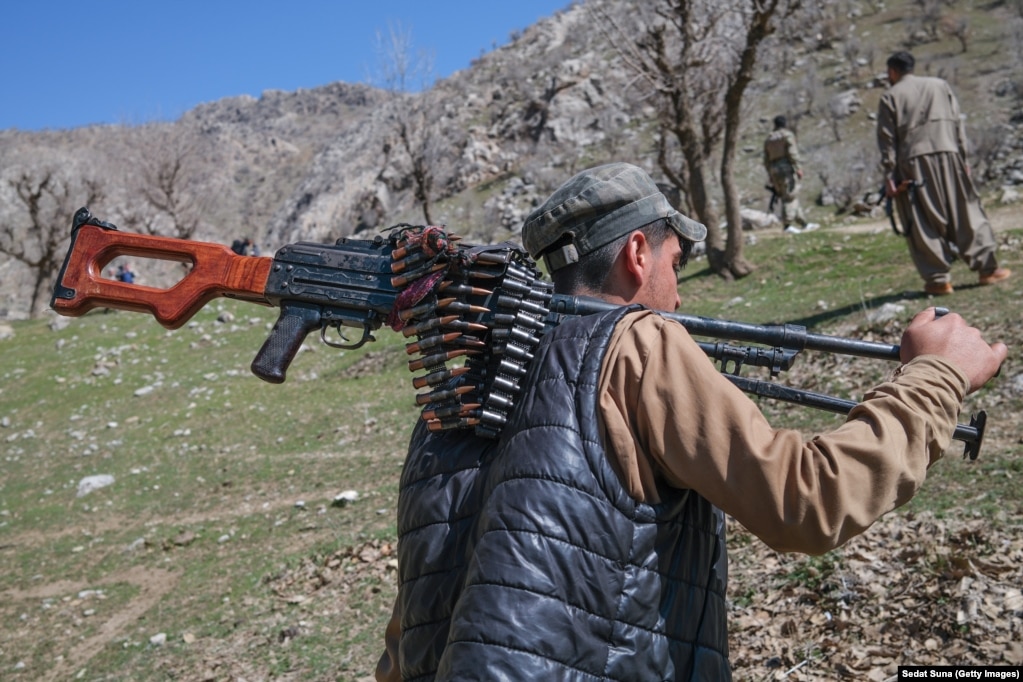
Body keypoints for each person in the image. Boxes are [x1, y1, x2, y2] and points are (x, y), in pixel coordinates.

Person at [375, 162, 1007, 681]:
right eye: (676, 263)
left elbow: (412, 619)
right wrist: (938, 376)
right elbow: (806, 499)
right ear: (636, 254)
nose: (678, 296)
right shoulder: (636, 342)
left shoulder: (462, 379)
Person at [877, 51, 1011, 295]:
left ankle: (938, 280)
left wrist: (889, 176)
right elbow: (957, 122)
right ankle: (987, 269)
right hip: (950, 154)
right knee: (966, 211)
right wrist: (963, 158)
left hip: (912, 164)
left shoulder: (890, 96)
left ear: (893, 72)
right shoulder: (940, 85)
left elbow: (887, 140)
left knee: (922, 220)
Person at [763, 115, 818, 234]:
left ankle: (803, 223)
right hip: (785, 168)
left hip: (774, 170)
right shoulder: (787, 135)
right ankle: (787, 225)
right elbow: (792, 152)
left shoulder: (769, 139)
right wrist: (798, 167)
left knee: (788, 195)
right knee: (790, 195)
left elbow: (766, 159)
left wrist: (770, 175)